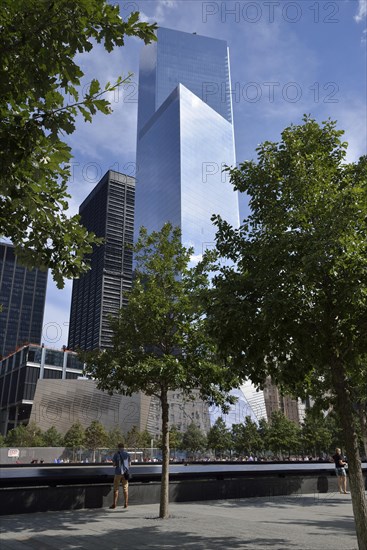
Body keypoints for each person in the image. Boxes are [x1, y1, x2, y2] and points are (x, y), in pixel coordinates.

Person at [110, 442, 131, 509]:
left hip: (118, 473)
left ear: (118, 447)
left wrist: (117, 464)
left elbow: (113, 465)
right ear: (123, 447)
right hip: (125, 473)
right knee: (125, 489)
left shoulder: (116, 454)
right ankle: (126, 503)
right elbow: (130, 464)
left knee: (116, 489)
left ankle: (114, 504)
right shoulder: (127, 454)